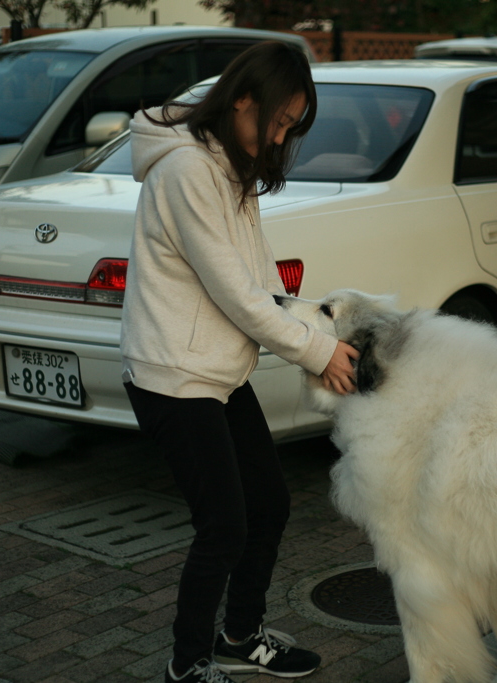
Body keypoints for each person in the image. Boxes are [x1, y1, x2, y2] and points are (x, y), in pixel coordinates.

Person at [120, 41, 359, 683]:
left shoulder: (230, 166)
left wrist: (319, 322)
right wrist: (318, 351)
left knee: (269, 504)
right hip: (175, 376)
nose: (280, 137)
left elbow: (258, 283)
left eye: (291, 129)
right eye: (278, 121)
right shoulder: (186, 173)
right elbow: (236, 295)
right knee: (223, 524)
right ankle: (188, 664)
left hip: (218, 375)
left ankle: (240, 635)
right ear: (244, 98)